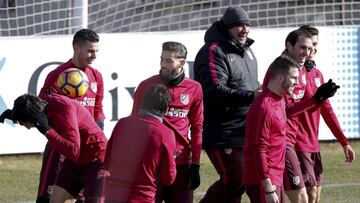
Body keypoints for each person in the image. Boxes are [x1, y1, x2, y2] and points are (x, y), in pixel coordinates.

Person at [243, 54, 340, 203]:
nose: (297, 82)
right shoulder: (265, 107)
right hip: (263, 179)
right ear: (281, 78)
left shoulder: (279, 99)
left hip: (274, 174)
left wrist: (317, 98)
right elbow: (258, 149)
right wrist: (268, 188)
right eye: (294, 78)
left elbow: (290, 111)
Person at [193, 6, 260, 202]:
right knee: (235, 179)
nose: (245, 29)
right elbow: (214, 90)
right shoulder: (213, 51)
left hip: (244, 129)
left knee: (240, 184)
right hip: (222, 132)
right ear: (227, 27)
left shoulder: (248, 51)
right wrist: (251, 96)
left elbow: (252, 87)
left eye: (248, 25)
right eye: (239, 25)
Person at [37, 28, 105, 203]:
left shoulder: (97, 76)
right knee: (48, 197)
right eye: (90, 51)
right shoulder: (58, 75)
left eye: (96, 51)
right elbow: (41, 106)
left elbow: (98, 108)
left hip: (86, 153)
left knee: (82, 199)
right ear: (76, 48)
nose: (94, 56)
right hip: (61, 148)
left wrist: (99, 123)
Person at [0, 93, 108, 202]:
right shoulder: (42, 105)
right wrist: (15, 114)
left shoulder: (64, 111)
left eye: (25, 124)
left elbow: (73, 151)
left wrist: (47, 131)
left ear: (32, 118)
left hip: (97, 161)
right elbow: (29, 107)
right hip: (74, 163)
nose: (28, 128)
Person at [132, 41, 203, 203]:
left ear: (182, 62)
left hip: (182, 163)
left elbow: (197, 127)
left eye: (169, 61)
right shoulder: (146, 86)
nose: (163, 64)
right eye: (162, 59)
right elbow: (134, 124)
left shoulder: (195, 88)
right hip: (151, 162)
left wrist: (196, 164)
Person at [295, 25, 356, 203]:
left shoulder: (317, 74)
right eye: (309, 44)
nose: (313, 49)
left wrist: (344, 142)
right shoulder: (292, 73)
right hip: (298, 144)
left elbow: (327, 110)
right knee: (308, 196)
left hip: (313, 144)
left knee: (315, 197)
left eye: (315, 44)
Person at [262, 28, 313, 203]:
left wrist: (318, 98)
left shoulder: (301, 68)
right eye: (302, 47)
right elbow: (284, 110)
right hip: (280, 142)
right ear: (289, 45)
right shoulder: (280, 69)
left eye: (309, 48)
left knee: (302, 196)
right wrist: (317, 99)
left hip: (291, 140)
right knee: (301, 197)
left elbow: (302, 106)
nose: (307, 53)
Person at [105, 84, 177, 203]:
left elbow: (107, 161)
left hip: (112, 195)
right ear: (166, 109)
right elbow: (169, 178)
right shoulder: (166, 134)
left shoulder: (122, 124)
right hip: (142, 197)